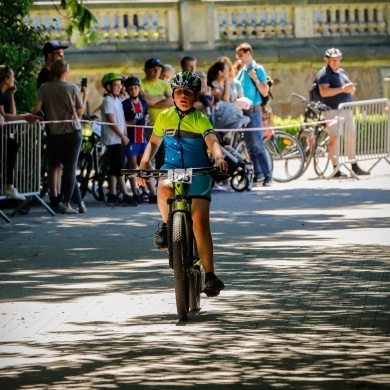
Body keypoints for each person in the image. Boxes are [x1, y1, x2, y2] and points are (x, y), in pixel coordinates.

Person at [137, 71, 228, 296]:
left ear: (195, 96)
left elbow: (212, 141)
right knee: (163, 186)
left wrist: (218, 158)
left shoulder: (200, 118)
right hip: (173, 169)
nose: (182, 96)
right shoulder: (164, 116)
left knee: (199, 222)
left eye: (187, 92)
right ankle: (168, 227)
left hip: (198, 172)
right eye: (178, 92)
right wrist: (144, 163)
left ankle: (209, 276)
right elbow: (153, 143)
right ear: (173, 94)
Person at [32, 59, 88, 214]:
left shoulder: (44, 87)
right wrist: (85, 95)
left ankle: (80, 204)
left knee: (56, 165)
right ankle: (66, 204)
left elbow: (36, 109)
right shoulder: (72, 88)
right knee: (70, 169)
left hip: (54, 133)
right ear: (64, 72)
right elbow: (81, 111)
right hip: (72, 131)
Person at [317, 47, 369, 177]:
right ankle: (336, 169)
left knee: (350, 137)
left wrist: (351, 89)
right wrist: (342, 89)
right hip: (333, 111)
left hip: (346, 110)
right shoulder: (324, 73)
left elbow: (349, 88)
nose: (335, 62)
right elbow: (324, 91)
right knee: (334, 139)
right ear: (327, 61)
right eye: (332, 60)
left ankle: (354, 166)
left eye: (337, 60)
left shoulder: (342, 72)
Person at [235, 42, 273, 186]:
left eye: (241, 55)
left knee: (258, 143)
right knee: (250, 146)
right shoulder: (242, 70)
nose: (239, 58)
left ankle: (268, 175)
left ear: (249, 53)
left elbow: (265, 90)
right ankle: (259, 174)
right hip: (244, 111)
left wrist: (255, 78)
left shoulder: (258, 69)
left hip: (254, 110)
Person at [37, 40, 69, 208]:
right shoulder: (45, 76)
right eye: (58, 53)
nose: (62, 56)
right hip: (53, 124)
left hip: (61, 124)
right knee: (54, 163)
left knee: (58, 164)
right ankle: (54, 196)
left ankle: (56, 194)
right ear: (50, 56)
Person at [0, 66, 40, 201]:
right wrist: (25, 117)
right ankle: (8, 186)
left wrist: (11, 95)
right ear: (6, 79)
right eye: (12, 76)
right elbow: (4, 116)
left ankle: (9, 185)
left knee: (11, 145)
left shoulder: (4, 95)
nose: (14, 79)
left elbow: (12, 114)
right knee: (11, 145)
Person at [100, 72, 137, 206]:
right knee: (120, 167)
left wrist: (124, 134)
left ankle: (112, 194)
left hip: (120, 138)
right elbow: (111, 121)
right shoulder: (108, 101)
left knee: (115, 167)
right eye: (115, 85)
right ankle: (125, 194)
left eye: (119, 85)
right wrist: (122, 136)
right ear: (108, 87)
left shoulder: (117, 100)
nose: (118, 88)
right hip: (113, 139)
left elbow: (122, 120)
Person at [122, 76, 157, 203]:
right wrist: (135, 122)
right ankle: (135, 192)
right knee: (132, 166)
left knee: (146, 165)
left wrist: (144, 121)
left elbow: (146, 118)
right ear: (127, 90)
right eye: (130, 89)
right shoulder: (124, 104)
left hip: (142, 138)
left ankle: (151, 193)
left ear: (139, 89)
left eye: (136, 88)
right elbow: (123, 122)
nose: (133, 90)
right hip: (131, 139)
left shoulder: (143, 103)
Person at [140, 58, 173, 169]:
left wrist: (151, 101)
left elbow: (172, 101)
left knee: (163, 158)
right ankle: (148, 183)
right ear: (146, 70)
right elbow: (144, 100)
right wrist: (162, 98)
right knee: (145, 157)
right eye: (154, 69)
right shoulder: (141, 83)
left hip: (164, 127)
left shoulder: (164, 84)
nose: (157, 71)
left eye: (158, 69)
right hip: (148, 126)